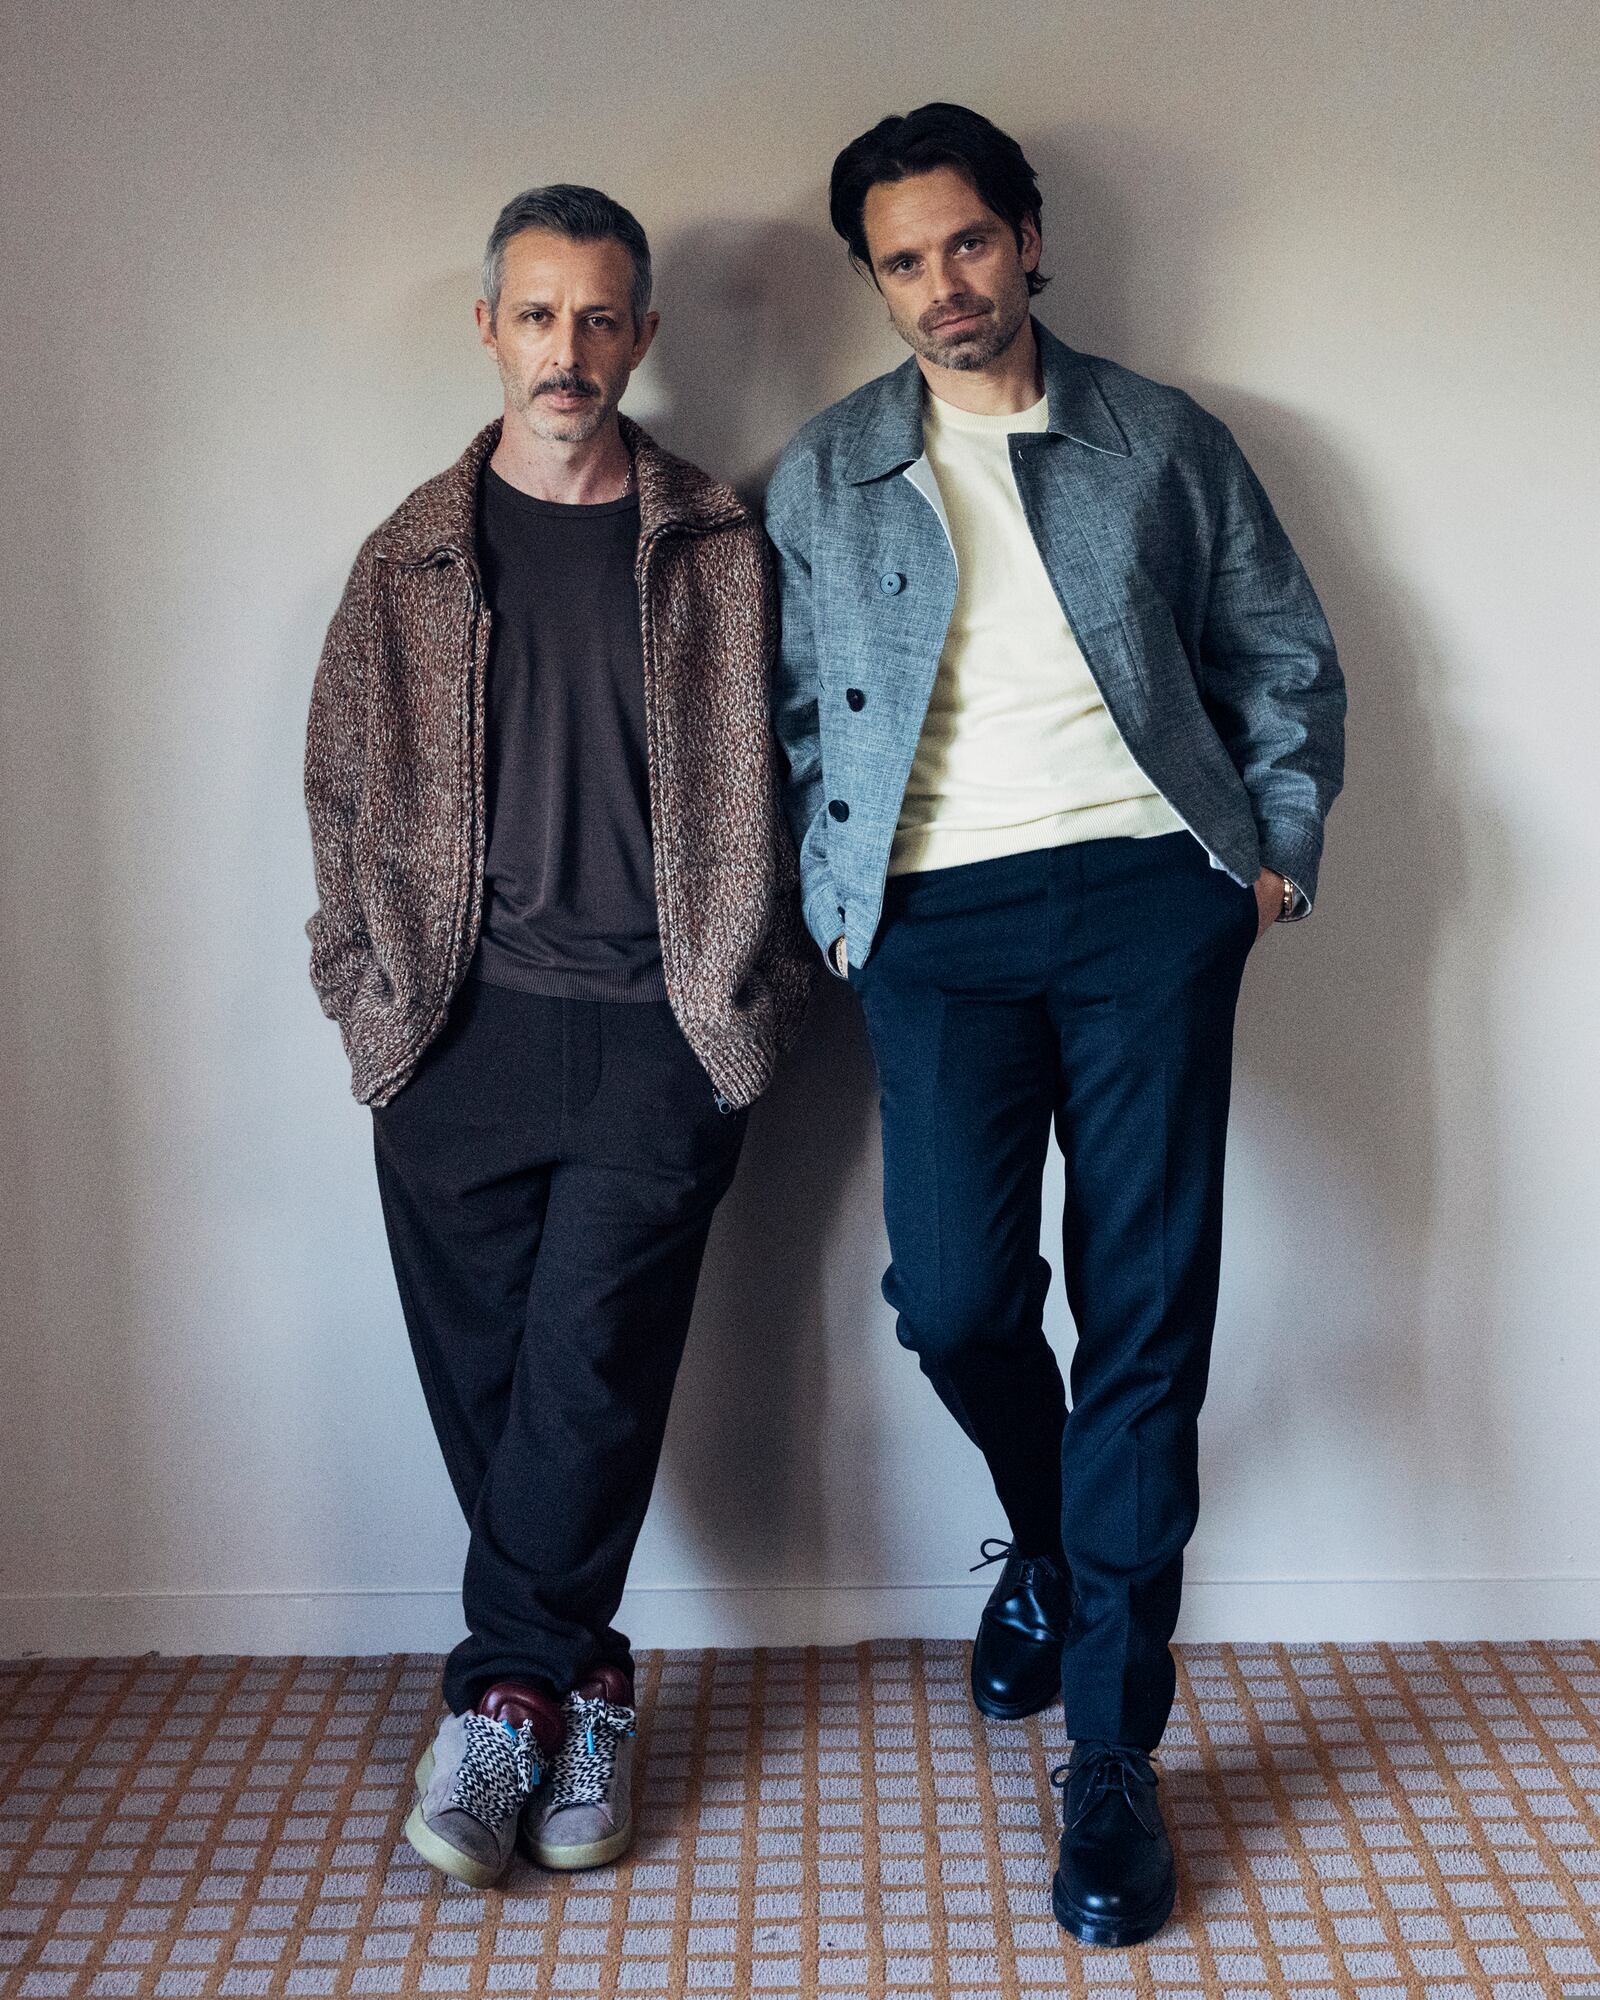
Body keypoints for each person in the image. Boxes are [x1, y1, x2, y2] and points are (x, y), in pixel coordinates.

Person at [766, 104, 1344, 1946]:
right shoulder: (828, 473)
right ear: (874, 281)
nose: (945, 286)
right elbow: (787, 719)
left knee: (1148, 1306)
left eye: (968, 243)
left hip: (1148, 905)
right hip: (934, 923)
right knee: (953, 1298)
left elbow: (1283, 659)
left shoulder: (1163, 438)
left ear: (1027, 237)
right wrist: (834, 900)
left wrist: (1272, 854)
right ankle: (1064, 1547)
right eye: (903, 260)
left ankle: (1113, 1758)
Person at [303, 184, 810, 1887]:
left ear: (645, 338)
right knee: (499, 1392)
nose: (568, 351)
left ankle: (500, 1694)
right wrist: (367, 999)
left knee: (588, 1370)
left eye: (602, 318)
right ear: (491, 330)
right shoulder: (410, 557)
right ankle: (588, 1679)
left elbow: (800, 774)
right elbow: (338, 791)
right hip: (453, 1033)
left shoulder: (720, 549)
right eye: (539, 315)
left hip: (664, 1025)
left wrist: (746, 990)